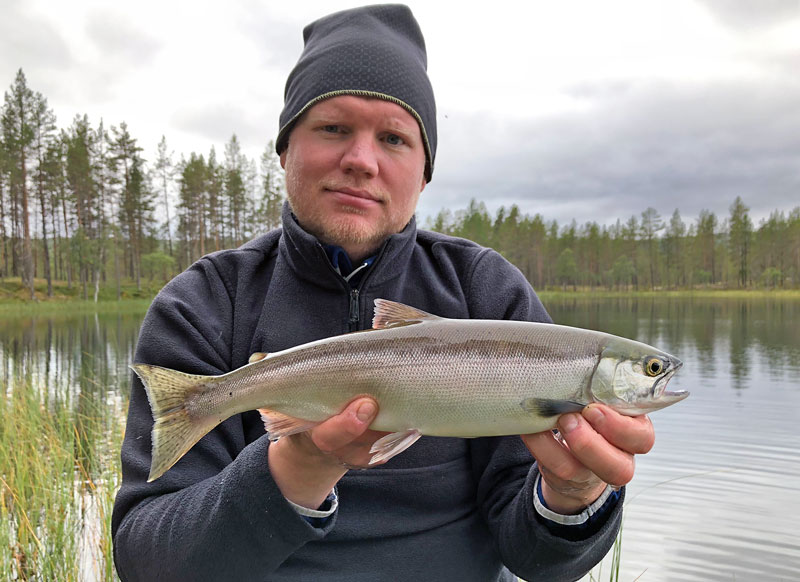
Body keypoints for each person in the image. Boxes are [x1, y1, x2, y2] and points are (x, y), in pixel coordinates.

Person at [112, 5, 655, 581]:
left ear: (424, 173)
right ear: (284, 149)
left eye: (394, 138)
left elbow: (541, 563)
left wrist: (574, 494)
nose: (361, 161)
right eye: (332, 127)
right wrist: (294, 473)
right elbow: (148, 563)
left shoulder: (487, 292)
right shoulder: (203, 304)